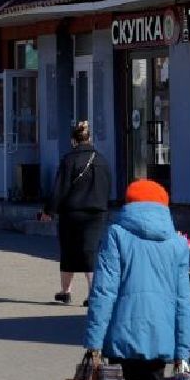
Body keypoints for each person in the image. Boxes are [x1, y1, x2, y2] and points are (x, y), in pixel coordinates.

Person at [83, 179, 190, 380]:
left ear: (129, 205)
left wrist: (93, 340)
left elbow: (103, 291)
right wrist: (184, 349)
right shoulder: (177, 243)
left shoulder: (117, 234)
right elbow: (184, 299)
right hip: (162, 333)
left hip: (124, 330)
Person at [38, 120, 112, 305]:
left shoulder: (69, 160)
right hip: (96, 212)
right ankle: (92, 293)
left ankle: (66, 292)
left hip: (72, 213)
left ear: (73, 141)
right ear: (90, 139)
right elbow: (107, 186)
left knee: (68, 251)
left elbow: (59, 188)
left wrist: (49, 211)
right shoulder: (102, 160)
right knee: (90, 251)